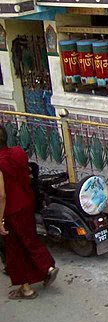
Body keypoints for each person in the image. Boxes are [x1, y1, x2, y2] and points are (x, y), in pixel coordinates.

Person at [0, 128, 58, 299]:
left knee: (14, 249)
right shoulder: (18, 153)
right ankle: (46, 268)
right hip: (26, 203)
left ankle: (27, 287)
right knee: (29, 239)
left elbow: (2, 195)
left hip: (10, 210)